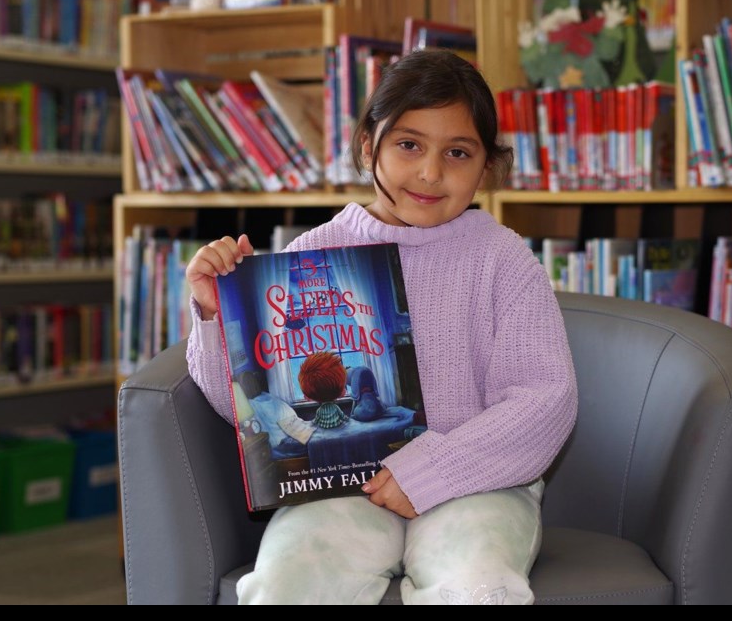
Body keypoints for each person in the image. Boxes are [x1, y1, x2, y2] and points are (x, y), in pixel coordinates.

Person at [184, 49, 578, 605]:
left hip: (480, 484)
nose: (430, 172)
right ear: (369, 145)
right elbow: (246, 411)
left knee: (478, 587)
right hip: (339, 490)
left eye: (458, 152)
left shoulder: (503, 260)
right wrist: (212, 313)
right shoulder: (312, 253)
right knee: (285, 585)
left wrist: (434, 471)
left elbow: (545, 400)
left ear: (487, 168)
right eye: (408, 144)